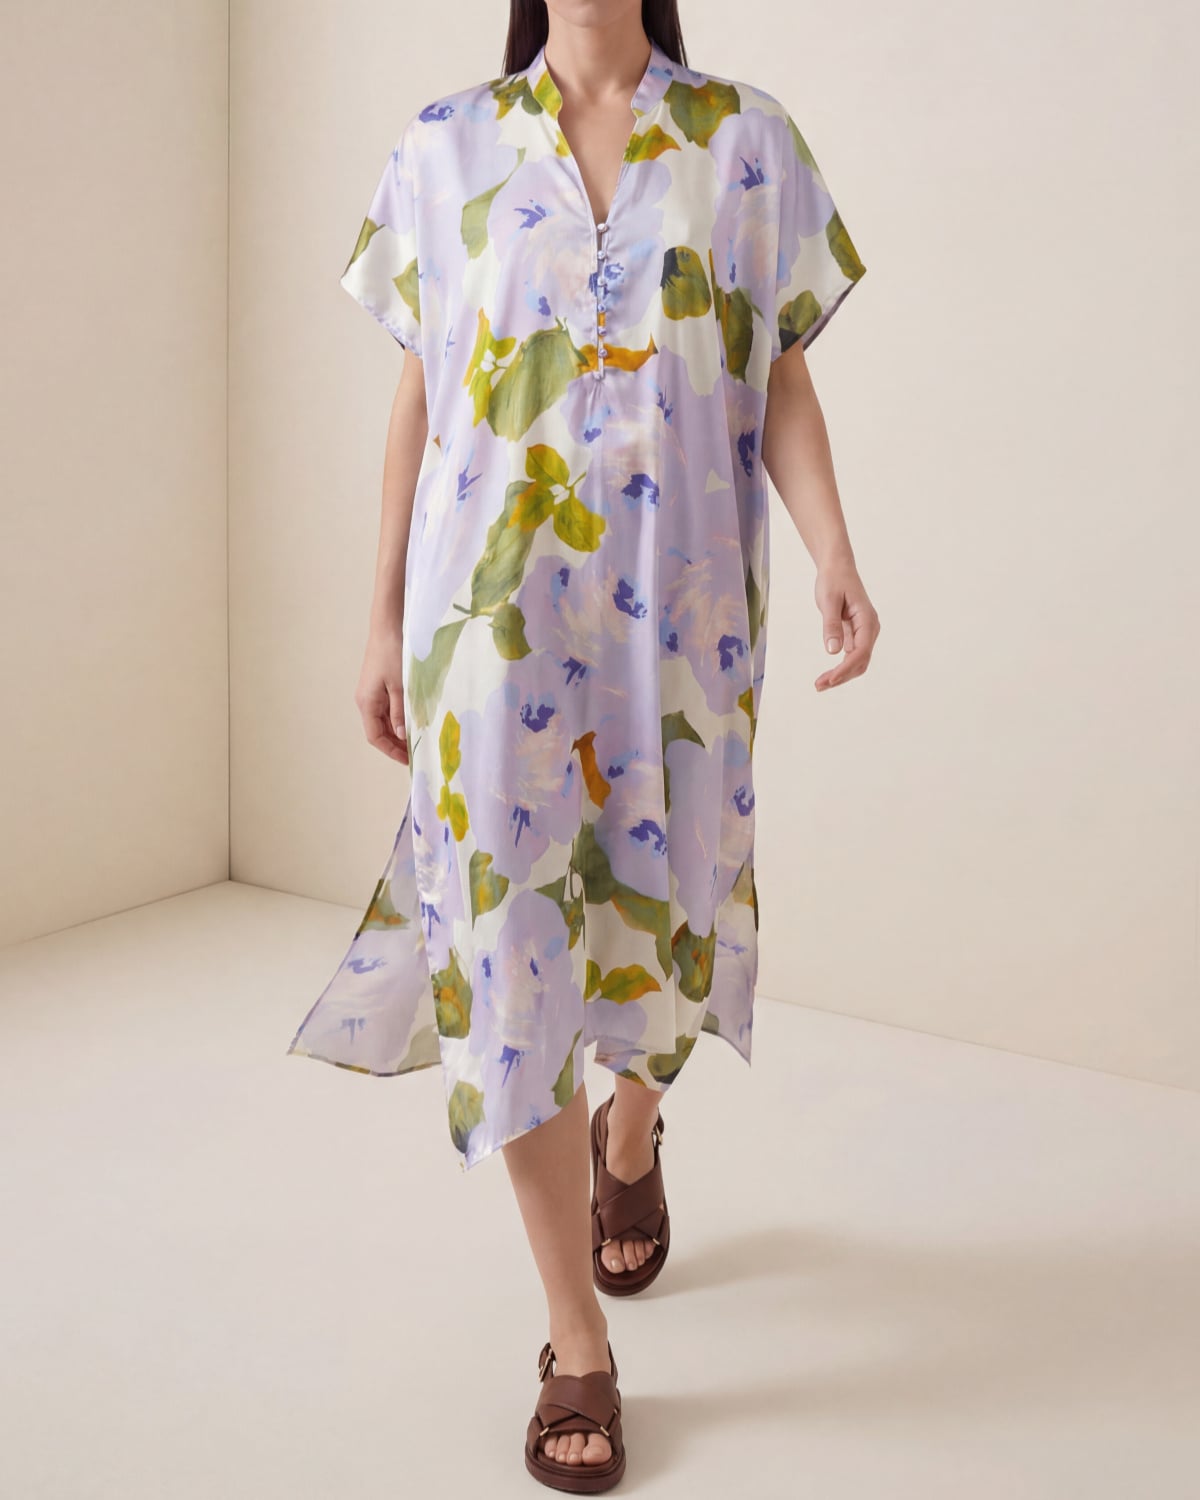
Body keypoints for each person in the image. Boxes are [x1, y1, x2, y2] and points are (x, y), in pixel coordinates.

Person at [289, 0, 880, 1488]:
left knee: (661, 910)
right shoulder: (446, 146)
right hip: (489, 629)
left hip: (680, 628)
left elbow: (778, 373)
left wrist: (833, 552)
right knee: (510, 951)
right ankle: (576, 1339)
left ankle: (633, 1129)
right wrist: (379, 620)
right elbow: (421, 388)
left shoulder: (744, 141)